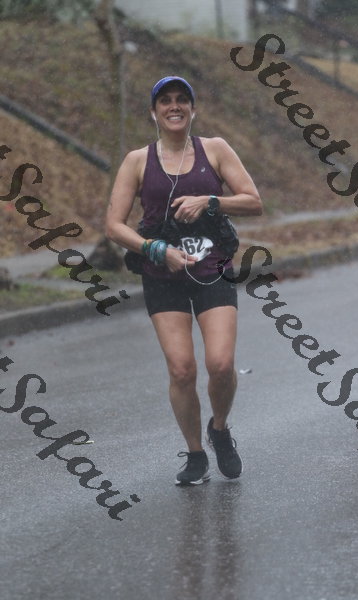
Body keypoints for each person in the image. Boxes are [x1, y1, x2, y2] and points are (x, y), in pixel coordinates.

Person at [106, 76, 262, 485]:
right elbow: (113, 225)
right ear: (153, 112)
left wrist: (211, 201)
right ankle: (195, 454)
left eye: (181, 100)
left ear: (193, 109)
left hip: (213, 268)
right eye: (165, 101)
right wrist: (156, 250)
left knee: (221, 364)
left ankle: (219, 428)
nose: (174, 107)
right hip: (163, 275)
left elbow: (253, 201)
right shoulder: (137, 161)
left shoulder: (216, 149)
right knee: (181, 370)